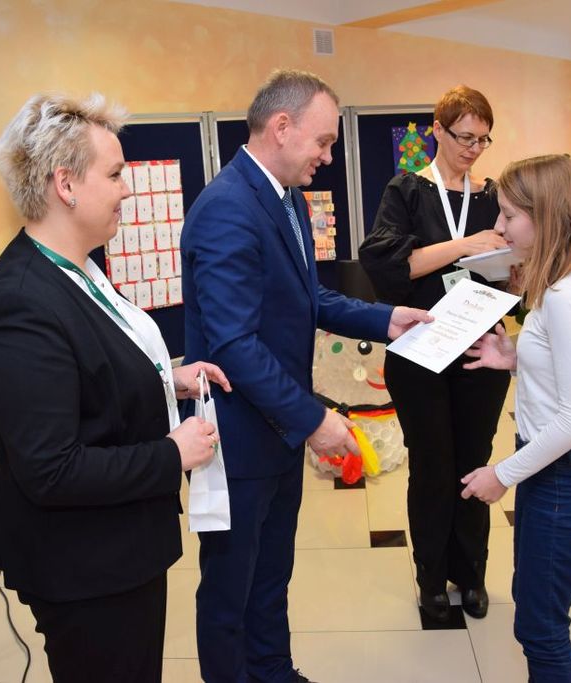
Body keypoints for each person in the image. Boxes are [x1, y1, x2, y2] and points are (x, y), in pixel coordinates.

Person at [182, 69, 431, 683]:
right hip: (238, 440)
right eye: (322, 142)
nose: (328, 156)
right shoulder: (227, 210)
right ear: (281, 127)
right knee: (231, 590)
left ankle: (274, 671)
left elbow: (308, 297)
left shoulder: (286, 197)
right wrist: (314, 418)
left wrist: (386, 318)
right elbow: (234, 345)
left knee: (271, 576)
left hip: (276, 432)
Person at [0, 93, 231, 683]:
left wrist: (169, 381)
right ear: (65, 184)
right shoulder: (21, 304)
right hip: (83, 566)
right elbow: (52, 469)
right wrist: (172, 454)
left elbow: (93, 375)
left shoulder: (78, 270)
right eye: (114, 175)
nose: (126, 189)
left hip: (117, 549)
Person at [358, 85, 510, 622]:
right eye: (464, 137)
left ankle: (471, 574)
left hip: (479, 352)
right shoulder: (406, 190)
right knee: (431, 466)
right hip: (420, 351)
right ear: (437, 132)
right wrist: (465, 246)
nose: (473, 149)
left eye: (483, 140)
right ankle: (430, 578)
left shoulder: (493, 196)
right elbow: (387, 265)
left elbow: (514, 264)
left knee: (473, 463)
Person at [461, 154, 571, 682]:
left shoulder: (566, 298)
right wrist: (515, 357)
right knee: (535, 614)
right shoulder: (569, 285)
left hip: (566, 477)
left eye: (508, 215)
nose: (499, 227)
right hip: (555, 472)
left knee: (541, 630)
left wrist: (502, 474)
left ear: (546, 216)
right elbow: (568, 366)